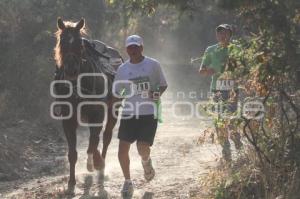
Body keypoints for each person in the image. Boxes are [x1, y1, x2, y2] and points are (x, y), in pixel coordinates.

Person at [112, 35, 168, 197]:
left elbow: (163, 84)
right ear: (126, 50)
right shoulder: (123, 69)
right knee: (122, 149)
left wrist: (156, 93)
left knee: (142, 148)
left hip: (148, 113)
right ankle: (127, 182)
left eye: (136, 47)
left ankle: (146, 162)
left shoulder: (153, 65)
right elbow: (117, 91)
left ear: (142, 48)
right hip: (129, 113)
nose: (133, 50)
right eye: (130, 47)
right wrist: (111, 101)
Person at [199, 24, 242, 162]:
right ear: (216, 36)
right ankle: (226, 150)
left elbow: (243, 69)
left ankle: (237, 141)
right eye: (219, 33)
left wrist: (234, 73)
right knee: (219, 120)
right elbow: (202, 70)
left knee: (231, 119)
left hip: (231, 90)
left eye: (225, 33)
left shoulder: (236, 49)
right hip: (216, 90)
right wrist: (208, 71)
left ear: (230, 34)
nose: (222, 36)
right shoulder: (211, 50)